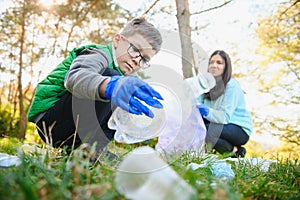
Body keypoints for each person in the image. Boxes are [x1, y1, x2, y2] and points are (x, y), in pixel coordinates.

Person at [27, 17, 164, 156]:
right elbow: (76, 78)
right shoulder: (98, 54)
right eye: (135, 49)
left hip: (74, 127)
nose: (137, 60)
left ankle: (93, 150)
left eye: (144, 59)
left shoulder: (126, 78)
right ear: (117, 40)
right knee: (111, 79)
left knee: (124, 95)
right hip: (51, 122)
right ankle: (88, 151)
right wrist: (110, 85)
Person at [196, 50, 252, 157]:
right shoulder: (206, 85)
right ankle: (234, 151)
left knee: (207, 130)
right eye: (211, 62)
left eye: (219, 63)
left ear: (226, 67)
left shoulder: (232, 85)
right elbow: (195, 104)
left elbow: (224, 117)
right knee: (198, 126)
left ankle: (231, 148)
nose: (214, 65)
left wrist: (206, 111)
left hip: (238, 128)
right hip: (218, 125)